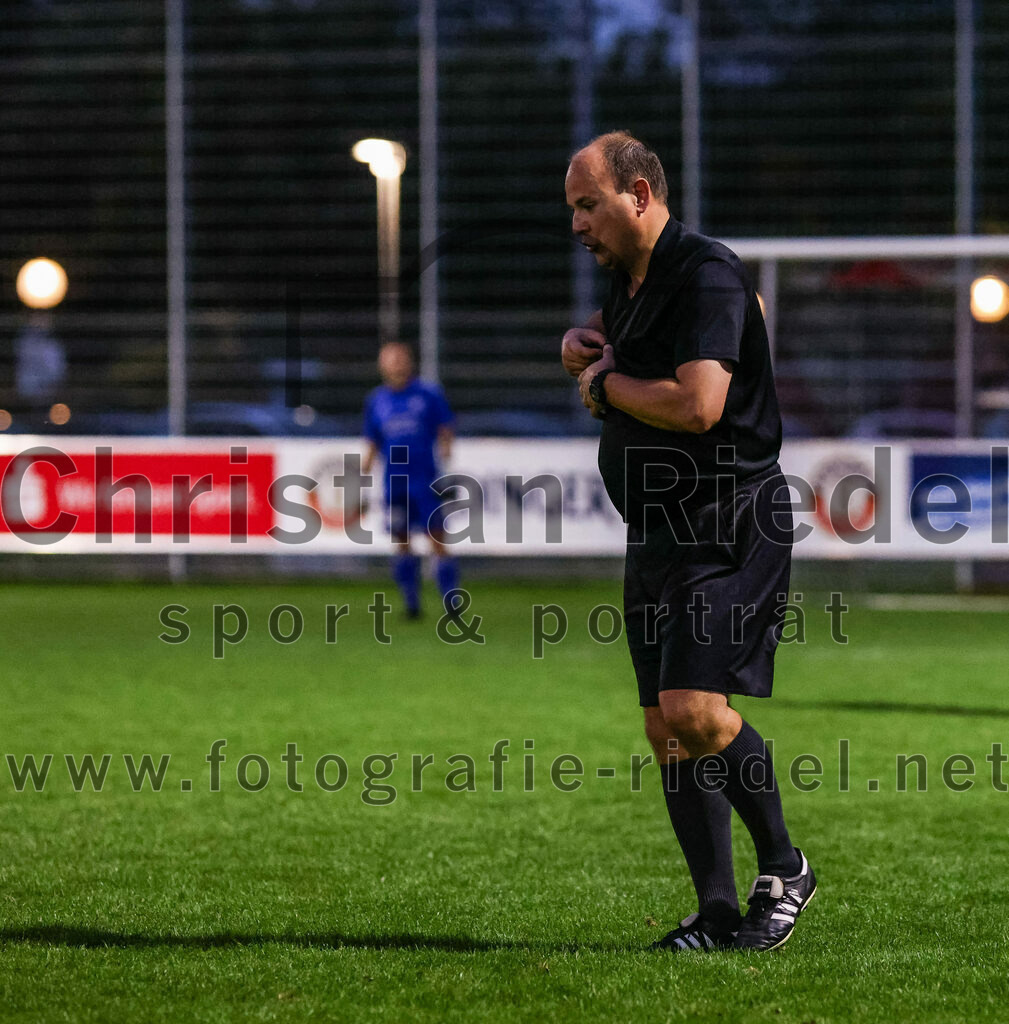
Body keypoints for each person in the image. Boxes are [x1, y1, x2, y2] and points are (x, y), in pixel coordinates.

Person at [561, 131, 815, 953]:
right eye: (572, 208)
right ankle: (713, 913)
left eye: (587, 204)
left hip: (728, 521)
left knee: (696, 712)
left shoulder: (705, 269)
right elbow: (624, 335)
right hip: (659, 532)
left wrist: (602, 384)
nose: (577, 224)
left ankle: (784, 866)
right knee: (664, 728)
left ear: (639, 194)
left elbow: (699, 404)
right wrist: (582, 340)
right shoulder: (633, 280)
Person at [362, 341, 460, 619]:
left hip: (425, 480)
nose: (396, 364)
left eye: (400, 358)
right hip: (394, 482)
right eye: (390, 360)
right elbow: (372, 440)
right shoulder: (377, 400)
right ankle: (412, 603)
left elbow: (445, 427)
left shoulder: (428, 394)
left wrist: (446, 454)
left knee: (437, 539)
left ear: (410, 361)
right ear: (381, 365)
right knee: (402, 541)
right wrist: (364, 474)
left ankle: (451, 602)